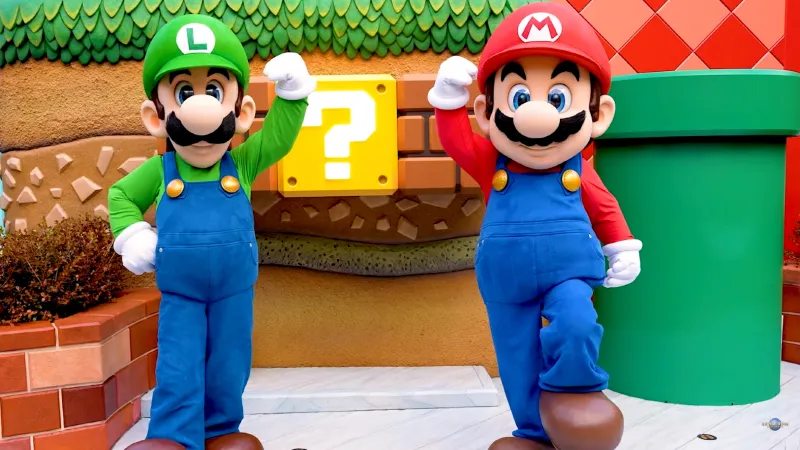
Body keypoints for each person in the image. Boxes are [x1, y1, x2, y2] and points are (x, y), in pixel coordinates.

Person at [427, 3, 642, 449]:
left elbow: (604, 206)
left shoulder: (576, 167)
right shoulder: (491, 162)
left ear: (598, 114)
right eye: (520, 98)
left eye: (558, 98)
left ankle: (572, 392)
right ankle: (533, 433)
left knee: (577, 320)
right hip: (506, 281)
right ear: (486, 112)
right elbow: (455, 140)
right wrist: (448, 98)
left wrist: (621, 245)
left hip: (568, 273)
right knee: (516, 358)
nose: (536, 116)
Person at [108, 14, 315, 450]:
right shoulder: (160, 170)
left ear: (241, 113)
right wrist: (133, 235)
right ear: (156, 116)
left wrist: (293, 95)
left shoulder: (242, 163)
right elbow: (121, 195)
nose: (199, 111)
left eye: (215, 91)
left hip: (233, 292)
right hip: (180, 294)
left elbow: (278, 139)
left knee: (229, 363)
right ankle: (173, 437)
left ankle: (221, 431)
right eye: (184, 92)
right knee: (178, 363)